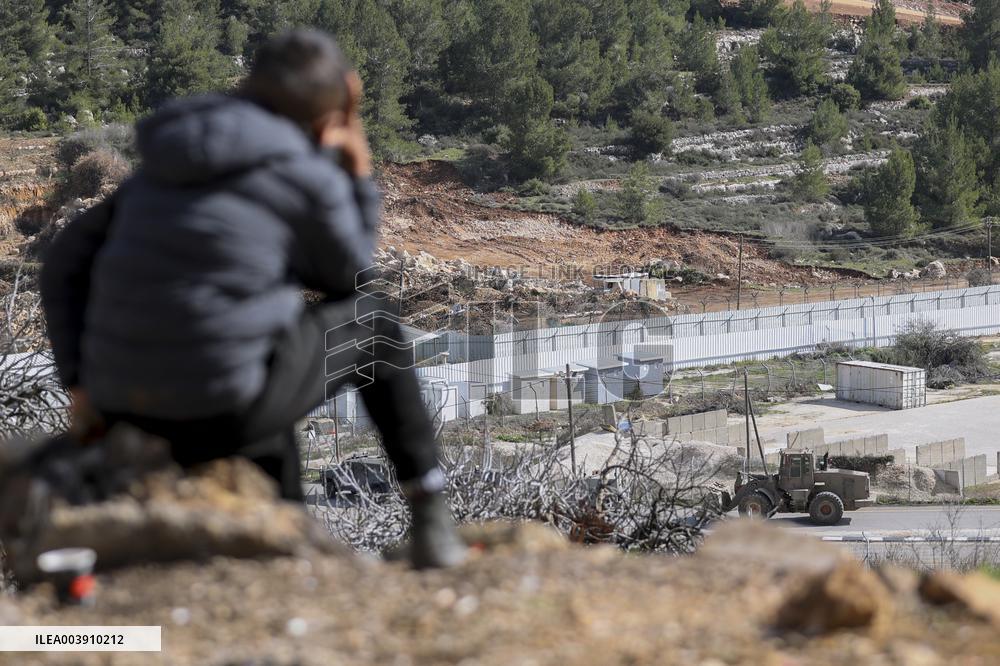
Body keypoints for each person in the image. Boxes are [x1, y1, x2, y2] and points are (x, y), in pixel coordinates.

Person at [39, 29, 466, 569]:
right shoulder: (302, 174)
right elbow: (352, 281)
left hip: (123, 404)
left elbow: (61, 265)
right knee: (374, 323)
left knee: (260, 347)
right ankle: (431, 518)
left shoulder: (164, 165)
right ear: (340, 105)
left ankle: (283, 538)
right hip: (221, 405)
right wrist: (357, 171)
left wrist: (79, 384)